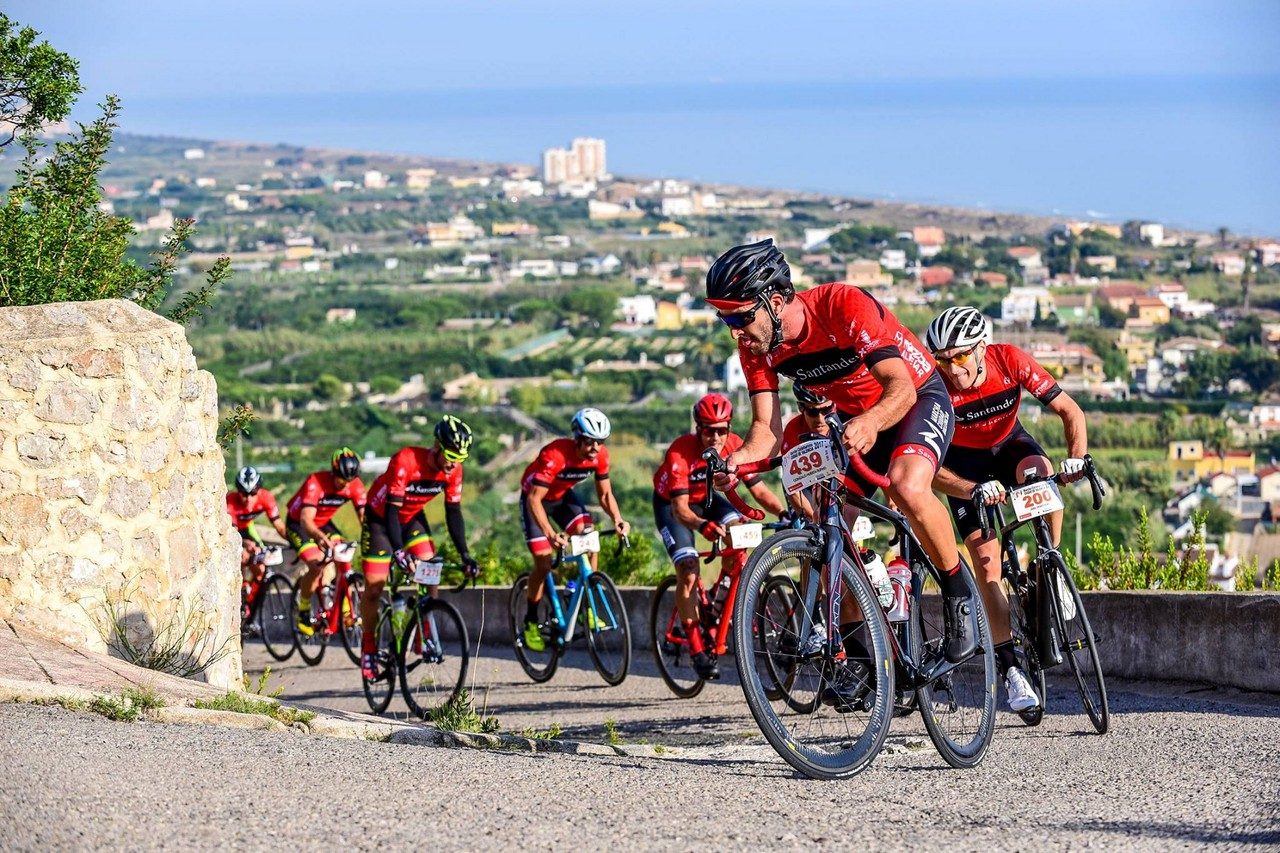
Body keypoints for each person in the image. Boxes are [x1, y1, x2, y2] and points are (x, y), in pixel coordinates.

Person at [704, 239, 978, 695]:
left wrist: (871, 420)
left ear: (774, 302)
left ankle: (958, 593)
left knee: (905, 487)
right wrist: (736, 461)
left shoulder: (842, 305)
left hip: (914, 399)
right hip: (856, 421)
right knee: (833, 530)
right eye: (724, 319)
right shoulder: (757, 348)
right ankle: (861, 660)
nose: (734, 331)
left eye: (738, 317)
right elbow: (766, 431)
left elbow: (901, 387)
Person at [924, 306, 1089, 713]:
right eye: (942, 358)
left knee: (1041, 474)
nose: (951, 367)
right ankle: (1011, 669)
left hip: (1010, 444)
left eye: (960, 356)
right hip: (965, 468)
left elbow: (1071, 411)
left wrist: (1077, 458)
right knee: (986, 566)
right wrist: (973, 488)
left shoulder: (1009, 359)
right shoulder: (932, 385)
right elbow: (927, 470)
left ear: (981, 348)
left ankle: (1051, 563)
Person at [653, 393, 785, 679]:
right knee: (688, 571)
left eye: (722, 430)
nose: (716, 437)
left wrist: (784, 514)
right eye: (709, 430)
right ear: (698, 428)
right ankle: (698, 649)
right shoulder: (679, 452)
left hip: (711, 500)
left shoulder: (735, 446)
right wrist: (702, 526)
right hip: (675, 506)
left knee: (739, 536)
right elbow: (680, 510)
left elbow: (759, 491)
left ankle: (716, 597)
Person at [358, 416, 479, 680]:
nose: (453, 463)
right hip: (381, 519)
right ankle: (368, 646)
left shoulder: (454, 470)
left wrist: (465, 554)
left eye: (460, 458)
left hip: (412, 517)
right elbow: (391, 510)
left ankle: (422, 632)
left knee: (430, 566)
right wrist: (399, 552)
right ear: (437, 446)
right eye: (450, 455)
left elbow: (454, 514)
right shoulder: (406, 461)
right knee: (375, 586)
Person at [518, 408, 631, 653]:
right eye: (590, 441)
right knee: (544, 562)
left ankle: (586, 603)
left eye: (600, 442)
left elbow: (605, 494)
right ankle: (530, 621)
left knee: (589, 535)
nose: (595, 447)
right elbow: (535, 500)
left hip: (560, 498)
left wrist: (618, 519)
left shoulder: (600, 456)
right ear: (577, 437)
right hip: (535, 500)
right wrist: (550, 534)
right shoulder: (554, 455)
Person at [285, 448, 367, 634]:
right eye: (341, 480)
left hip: (324, 523)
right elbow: (306, 520)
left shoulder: (355, 485)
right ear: (333, 472)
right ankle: (304, 609)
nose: (345, 484)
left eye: (349, 481)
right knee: (316, 566)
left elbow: (365, 519)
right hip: (299, 524)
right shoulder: (316, 483)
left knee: (344, 558)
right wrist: (320, 539)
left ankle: (345, 608)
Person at [226, 466, 287, 575]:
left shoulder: (266, 497)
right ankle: (241, 587)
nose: (249, 498)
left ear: (259, 490)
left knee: (261, 569)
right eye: (244, 493)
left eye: (253, 493)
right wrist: (243, 544)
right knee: (240, 559)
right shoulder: (231, 501)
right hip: (234, 531)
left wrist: (293, 542)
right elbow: (232, 533)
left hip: (248, 528)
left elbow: (279, 526)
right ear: (238, 491)